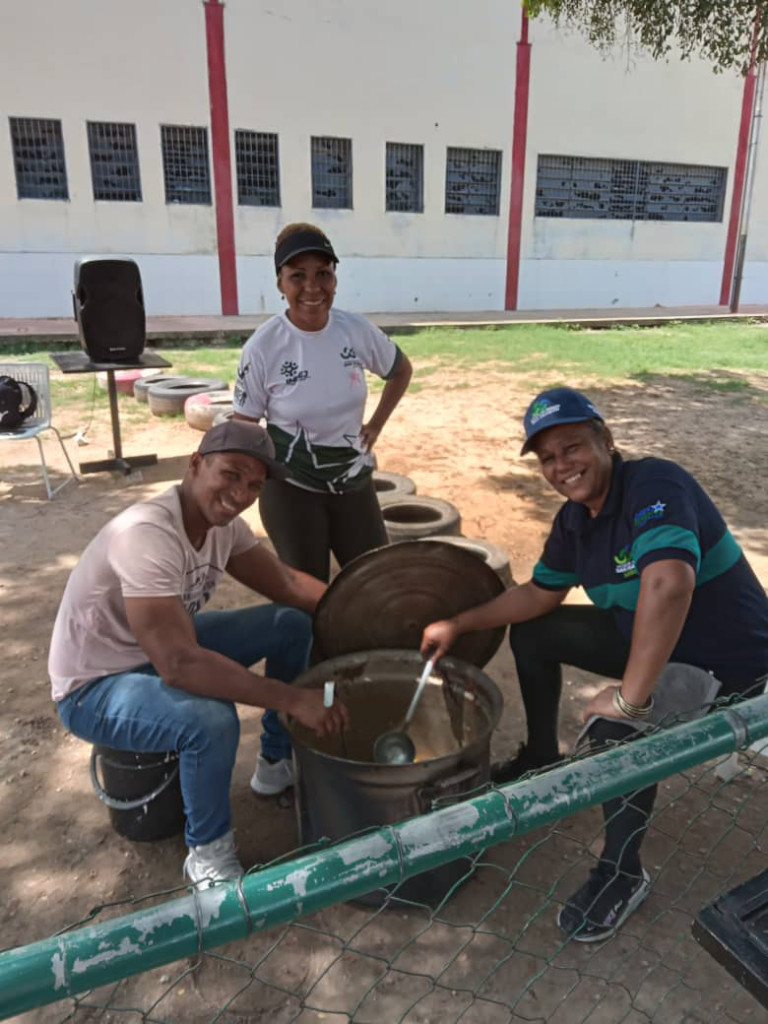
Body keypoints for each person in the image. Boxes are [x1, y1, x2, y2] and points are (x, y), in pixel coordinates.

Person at [421, 387, 768, 942]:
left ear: (605, 439)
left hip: (728, 664)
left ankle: (623, 872)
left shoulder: (656, 483)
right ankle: (539, 755)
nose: (561, 466)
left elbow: (669, 582)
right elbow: (538, 594)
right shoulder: (575, 521)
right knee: (535, 631)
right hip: (653, 640)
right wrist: (459, 623)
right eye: (547, 458)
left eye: (572, 447)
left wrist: (630, 698)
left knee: (612, 731)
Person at [49, 420, 348, 885]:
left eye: (254, 485)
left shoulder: (222, 528)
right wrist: (293, 700)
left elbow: (287, 584)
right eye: (230, 474)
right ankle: (208, 856)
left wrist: (363, 609)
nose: (241, 493)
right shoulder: (147, 535)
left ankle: (274, 763)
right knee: (210, 720)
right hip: (94, 686)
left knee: (289, 624)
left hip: (159, 649)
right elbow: (180, 665)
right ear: (195, 465)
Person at [233, 222, 413, 582]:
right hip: (291, 488)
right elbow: (244, 427)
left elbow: (400, 370)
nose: (312, 287)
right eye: (298, 276)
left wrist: (375, 425)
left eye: (323, 274)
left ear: (335, 279)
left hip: (353, 481)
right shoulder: (263, 347)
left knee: (373, 581)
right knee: (309, 593)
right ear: (280, 282)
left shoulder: (355, 330)